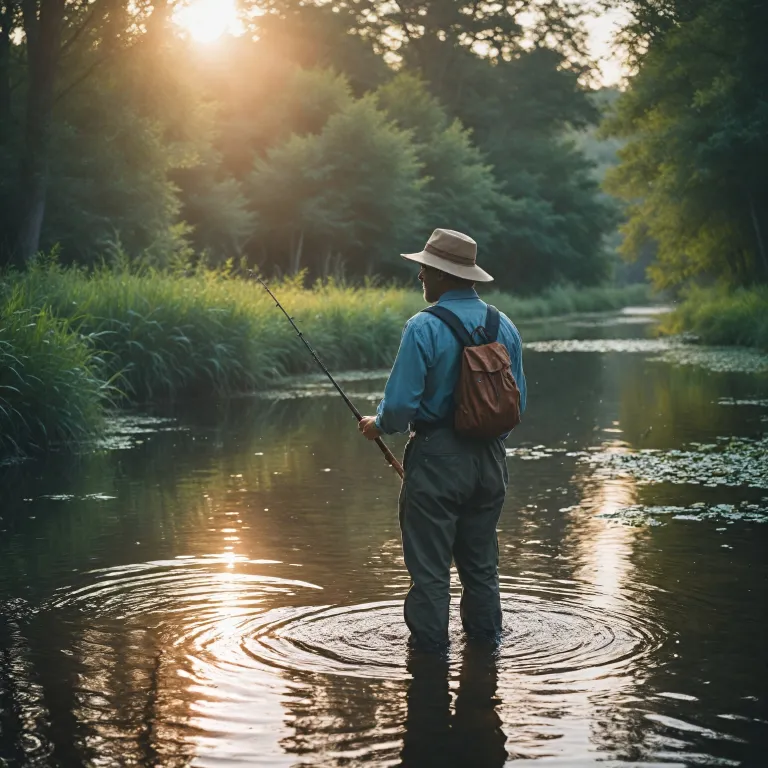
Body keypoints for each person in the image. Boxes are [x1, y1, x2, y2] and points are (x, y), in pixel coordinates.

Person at [359, 228, 527, 652]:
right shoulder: (504, 325)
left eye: (424, 268)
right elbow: (516, 404)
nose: (419, 276)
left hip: (436, 461)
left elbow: (398, 409)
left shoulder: (422, 327)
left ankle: (431, 666)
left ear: (442, 274)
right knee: (482, 569)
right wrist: (485, 440)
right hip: (490, 461)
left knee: (431, 573)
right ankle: (487, 654)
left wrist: (376, 425)